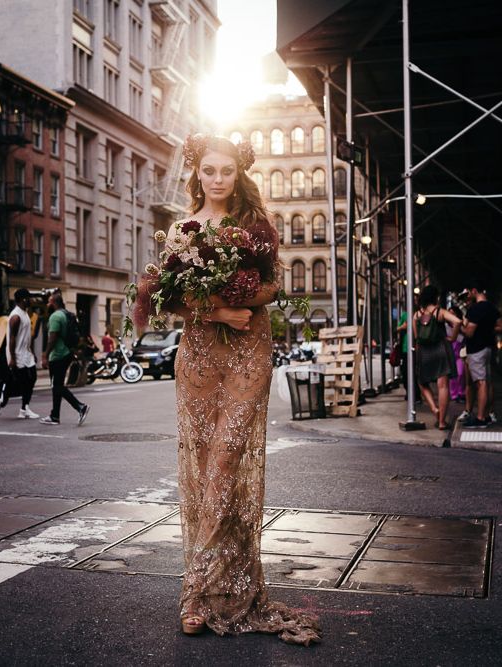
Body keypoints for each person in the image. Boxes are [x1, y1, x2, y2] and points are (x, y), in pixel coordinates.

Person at [158, 134, 321, 644]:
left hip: (249, 351)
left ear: (238, 173)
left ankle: (195, 591)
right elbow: (167, 300)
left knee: (228, 461)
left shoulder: (257, 226)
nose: (218, 178)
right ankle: (218, 587)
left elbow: (274, 284)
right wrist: (213, 308)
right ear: (197, 173)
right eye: (209, 170)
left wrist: (242, 291)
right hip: (201, 355)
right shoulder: (182, 231)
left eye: (227, 170)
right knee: (205, 470)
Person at [413, 285, 462, 430]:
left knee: (422, 382)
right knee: (443, 386)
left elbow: (416, 337)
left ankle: (434, 409)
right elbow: (458, 322)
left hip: (425, 352)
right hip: (441, 349)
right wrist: (452, 338)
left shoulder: (416, 315)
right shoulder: (440, 312)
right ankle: (441, 422)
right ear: (435, 297)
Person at [40, 292, 90, 426]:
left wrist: (45, 354)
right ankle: (55, 416)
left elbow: (52, 338)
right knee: (57, 386)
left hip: (58, 355)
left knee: (57, 386)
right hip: (67, 353)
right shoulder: (67, 314)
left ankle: (80, 407)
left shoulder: (55, 316)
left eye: (49, 302)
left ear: (55, 303)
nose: (48, 304)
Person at [0, 288, 39, 419]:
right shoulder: (16, 316)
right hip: (17, 353)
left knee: (32, 378)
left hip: (26, 353)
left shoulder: (25, 313)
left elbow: (27, 336)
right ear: (23, 299)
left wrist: (32, 352)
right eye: (29, 298)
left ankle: (24, 409)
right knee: (19, 381)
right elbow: (11, 338)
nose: (31, 300)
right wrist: (12, 357)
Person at [461, 281, 502, 428]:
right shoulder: (492, 308)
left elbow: (469, 332)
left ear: (474, 291)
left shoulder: (475, 309)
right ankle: (487, 414)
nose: (469, 295)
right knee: (486, 381)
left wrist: (460, 326)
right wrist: (487, 329)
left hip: (477, 349)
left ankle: (480, 418)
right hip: (488, 348)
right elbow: (501, 326)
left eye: (469, 292)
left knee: (481, 383)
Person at [446, 305, 466, 402]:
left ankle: (461, 393)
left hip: (460, 354)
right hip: (450, 354)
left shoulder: (461, 325)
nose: (451, 315)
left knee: (461, 373)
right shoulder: (445, 327)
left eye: (453, 313)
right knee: (452, 376)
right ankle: (454, 395)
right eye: (450, 313)